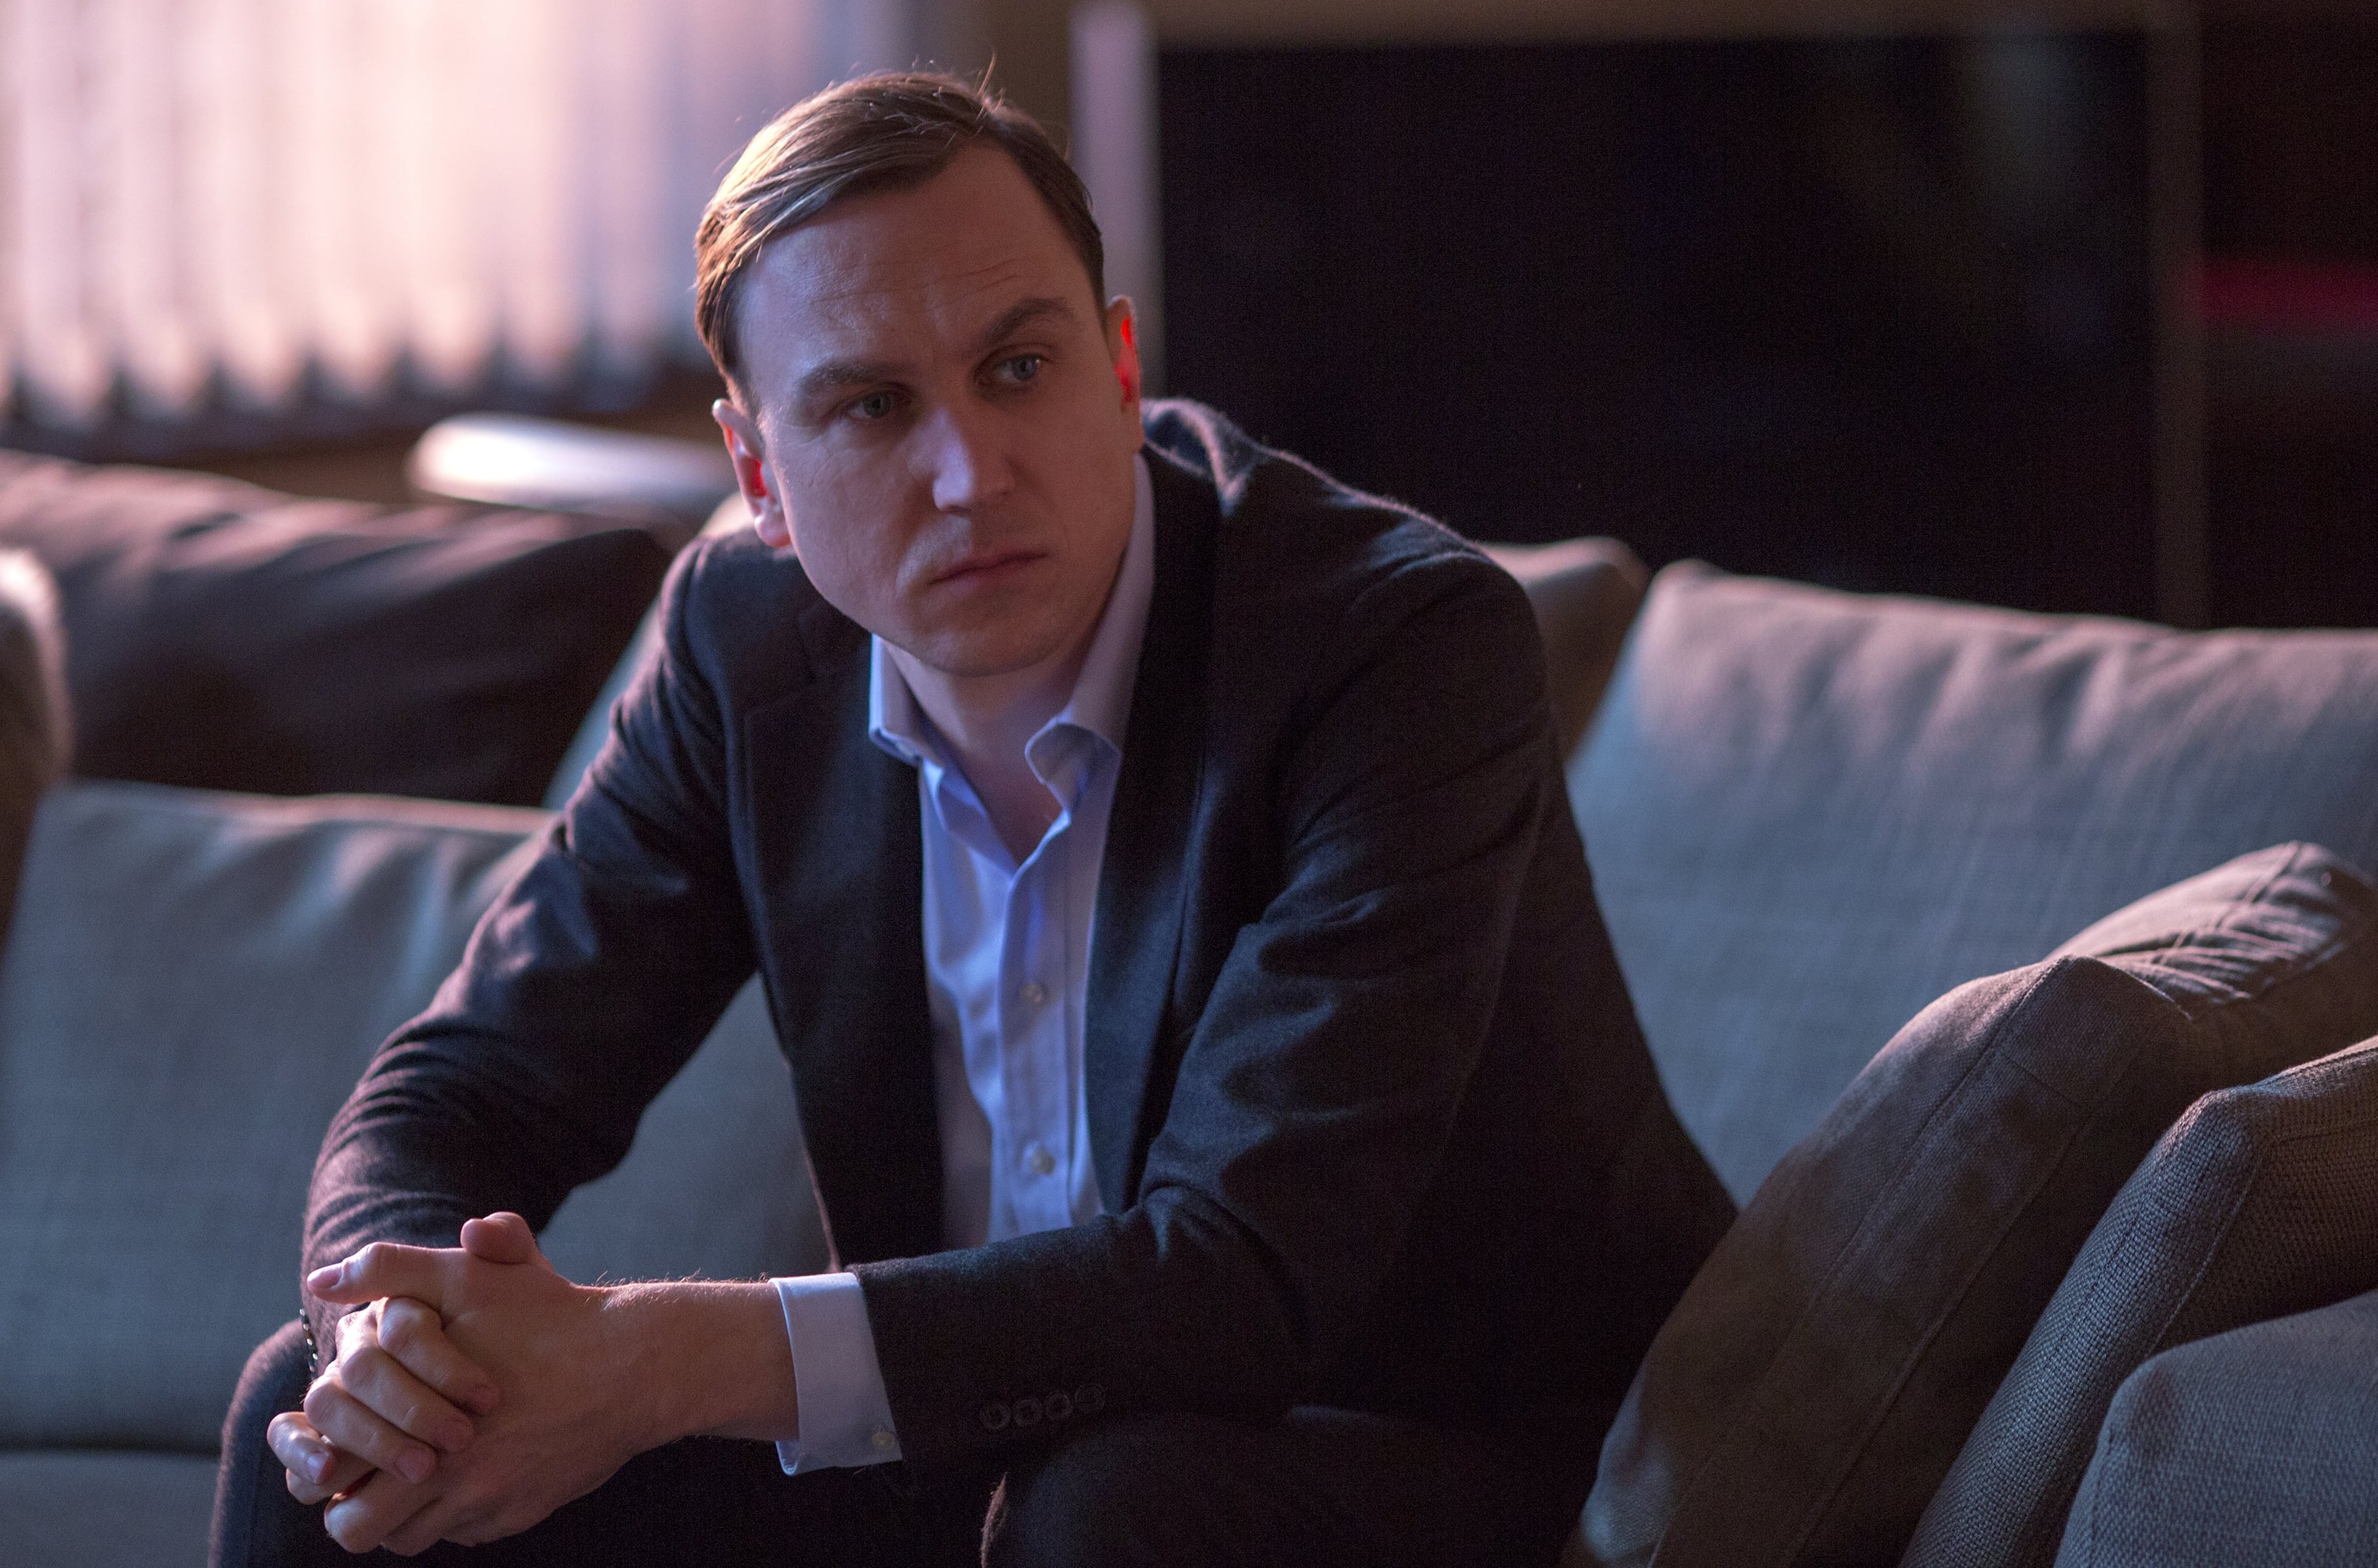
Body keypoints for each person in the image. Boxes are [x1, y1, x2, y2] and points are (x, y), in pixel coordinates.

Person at [214, 70, 1732, 1567]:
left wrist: (648, 1359)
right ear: (760, 477)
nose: (969, 474)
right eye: (873, 406)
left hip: (1444, 1455)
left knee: (1116, 1508)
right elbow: (469, 1086)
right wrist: (394, 1335)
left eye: (1018, 368)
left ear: (1120, 371)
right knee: (335, 1435)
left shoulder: (1393, 654)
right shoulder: (744, 651)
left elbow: (1241, 1280)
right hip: (976, 1437)